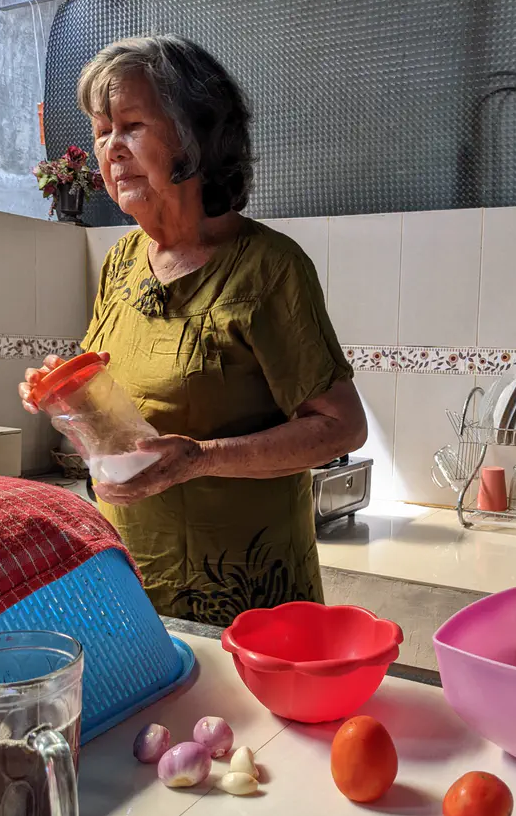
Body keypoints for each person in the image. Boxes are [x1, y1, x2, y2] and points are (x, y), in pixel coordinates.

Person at [20, 35, 366, 624]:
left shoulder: (268, 267)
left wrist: (199, 458)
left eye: (131, 125)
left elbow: (340, 428)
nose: (111, 148)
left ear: (192, 135)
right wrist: (61, 393)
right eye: (102, 131)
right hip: (134, 582)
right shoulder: (121, 262)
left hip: (248, 597)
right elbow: (107, 404)